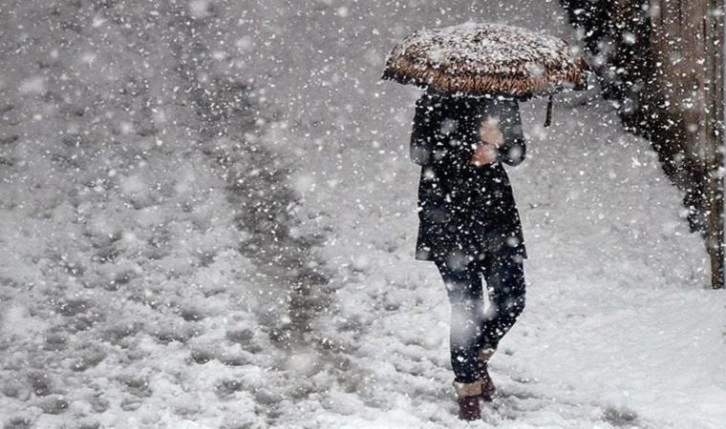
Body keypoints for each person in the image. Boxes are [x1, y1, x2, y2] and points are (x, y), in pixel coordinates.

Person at [409, 89, 528, 421]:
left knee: (512, 298)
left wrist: (499, 145)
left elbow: (517, 153)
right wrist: (471, 145)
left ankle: (474, 359)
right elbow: (420, 152)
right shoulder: (434, 100)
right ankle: (468, 389)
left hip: (496, 217)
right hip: (447, 216)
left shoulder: (502, 99)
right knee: (467, 308)